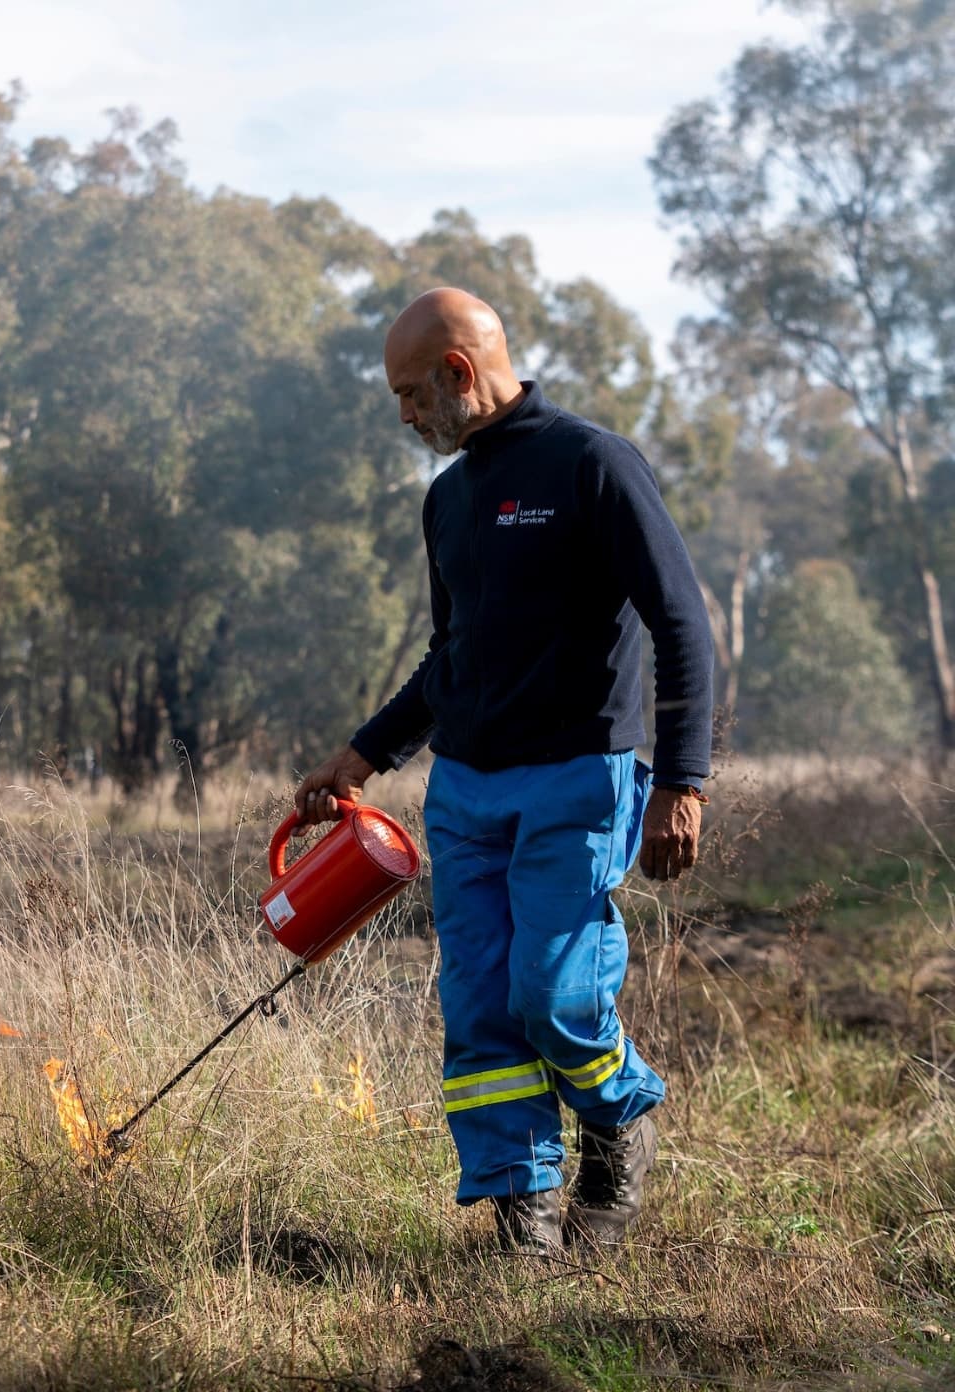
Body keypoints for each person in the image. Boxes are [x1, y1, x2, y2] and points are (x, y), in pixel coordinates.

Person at [293, 287, 714, 1255]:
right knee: (479, 1008)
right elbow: (449, 659)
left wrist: (680, 784)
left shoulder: (591, 463)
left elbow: (681, 627)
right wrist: (360, 757)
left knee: (552, 996)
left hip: (576, 778)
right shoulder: (447, 498)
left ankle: (619, 1120)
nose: (403, 416)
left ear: (456, 372)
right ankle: (521, 1222)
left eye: (409, 394)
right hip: (465, 794)